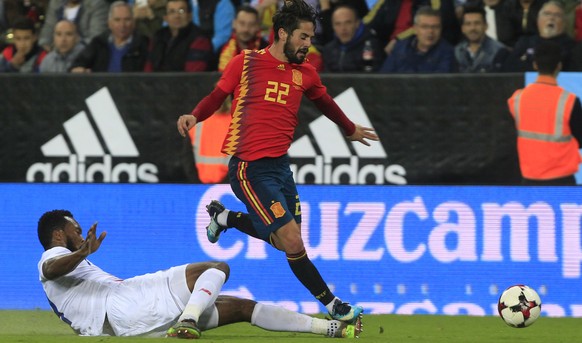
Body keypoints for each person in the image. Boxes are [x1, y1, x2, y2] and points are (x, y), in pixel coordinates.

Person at [176, 0, 376, 324]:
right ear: (282, 33)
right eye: (303, 37)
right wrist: (194, 115)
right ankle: (332, 303)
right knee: (292, 239)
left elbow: (324, 102)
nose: (308, 45)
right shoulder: (246, 62)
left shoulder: (306, 73)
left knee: (284, 239)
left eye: (311, 38)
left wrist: (349, 127)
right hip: (248, 168)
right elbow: (217, 94)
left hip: (280, 168)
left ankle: (226, 218)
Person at [37, 209, 362, 338]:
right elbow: (52, 270)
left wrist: (80, 254)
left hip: (126, 321)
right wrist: (81, 251)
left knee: (242, 308)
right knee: (216, 268)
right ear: (58, 234)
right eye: (76, 230)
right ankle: (188, 321)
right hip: (124, 303)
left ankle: (333, 329)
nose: (81, 235)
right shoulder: (53, 256)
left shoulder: (70, 261)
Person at [507, 40, 582, 185]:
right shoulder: (570, 101)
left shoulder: (517, 98)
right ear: (559, 66)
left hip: (529, 177)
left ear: (535, 65)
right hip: (562, 179)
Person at [70, 1, 149, 73]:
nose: (122, 25)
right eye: (117, 20)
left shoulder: (144, 44)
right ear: (109, 23)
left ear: (133, 22)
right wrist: (79, 69)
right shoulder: (98, 43)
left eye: (127, 20)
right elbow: (77, 64)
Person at [503, 1, 576, 72]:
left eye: (557, 15)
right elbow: (509, 67)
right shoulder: (524, 43)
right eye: (547, 14)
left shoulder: (572, 47)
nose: (551, 18)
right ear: (538, 19)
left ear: (564, 23)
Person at [379, 6, 455, 73]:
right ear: (415, 29)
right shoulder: (400, 48)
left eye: (435, 27)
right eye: (425, 27)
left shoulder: (448, 52)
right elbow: (384, 79)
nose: (430, 31)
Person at [144, 0, 213, 72]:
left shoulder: (200, 39)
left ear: (190, 16)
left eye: (181, 11)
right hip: (157, 82)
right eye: (172, 11)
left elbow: (193, 76)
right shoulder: (158, 36)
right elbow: (148, 71)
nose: (177, 16)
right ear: (166, 18)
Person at [322, 4, 384, 72]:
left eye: (348, 23)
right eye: (338, 24)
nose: (343, 28)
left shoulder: (370, 47)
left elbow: (371, 79)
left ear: (357, 23)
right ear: (333, 26)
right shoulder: (328, 50)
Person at [454, 6, 509, 72]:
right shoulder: (457, 51)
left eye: (477, 23)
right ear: (462, 29)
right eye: (468, 24)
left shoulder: (499, 51)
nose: (472, 28)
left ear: (486, 26)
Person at [39, 0, 108, 50]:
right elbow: (47, 30)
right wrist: (48, 47)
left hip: (85, 56)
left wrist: (72, 45)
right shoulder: (56, 3)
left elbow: (96, 40)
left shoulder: (97, 4)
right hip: (56, 55)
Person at [217, 4, 269, 72]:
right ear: (234, 24)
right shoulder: (221, 50)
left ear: (257, 26)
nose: (246, 29)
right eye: (242, 23)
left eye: (251, 25)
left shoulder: (267, 52)